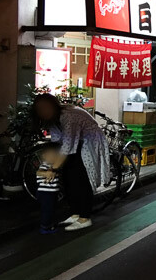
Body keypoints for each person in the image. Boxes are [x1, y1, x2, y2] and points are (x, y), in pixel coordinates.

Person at [32, 93, 110, 231]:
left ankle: (85, 217)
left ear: (54, 105)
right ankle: (75, 213)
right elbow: (58, 142)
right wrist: (53, 164)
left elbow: (68, 145)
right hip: (76, 143)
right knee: (68, 178)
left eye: (46, 107)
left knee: (81, 178)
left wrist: (53, 168)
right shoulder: (53, 119)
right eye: (40, 109)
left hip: (89, 140)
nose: (44, 111)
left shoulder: (67, 116)